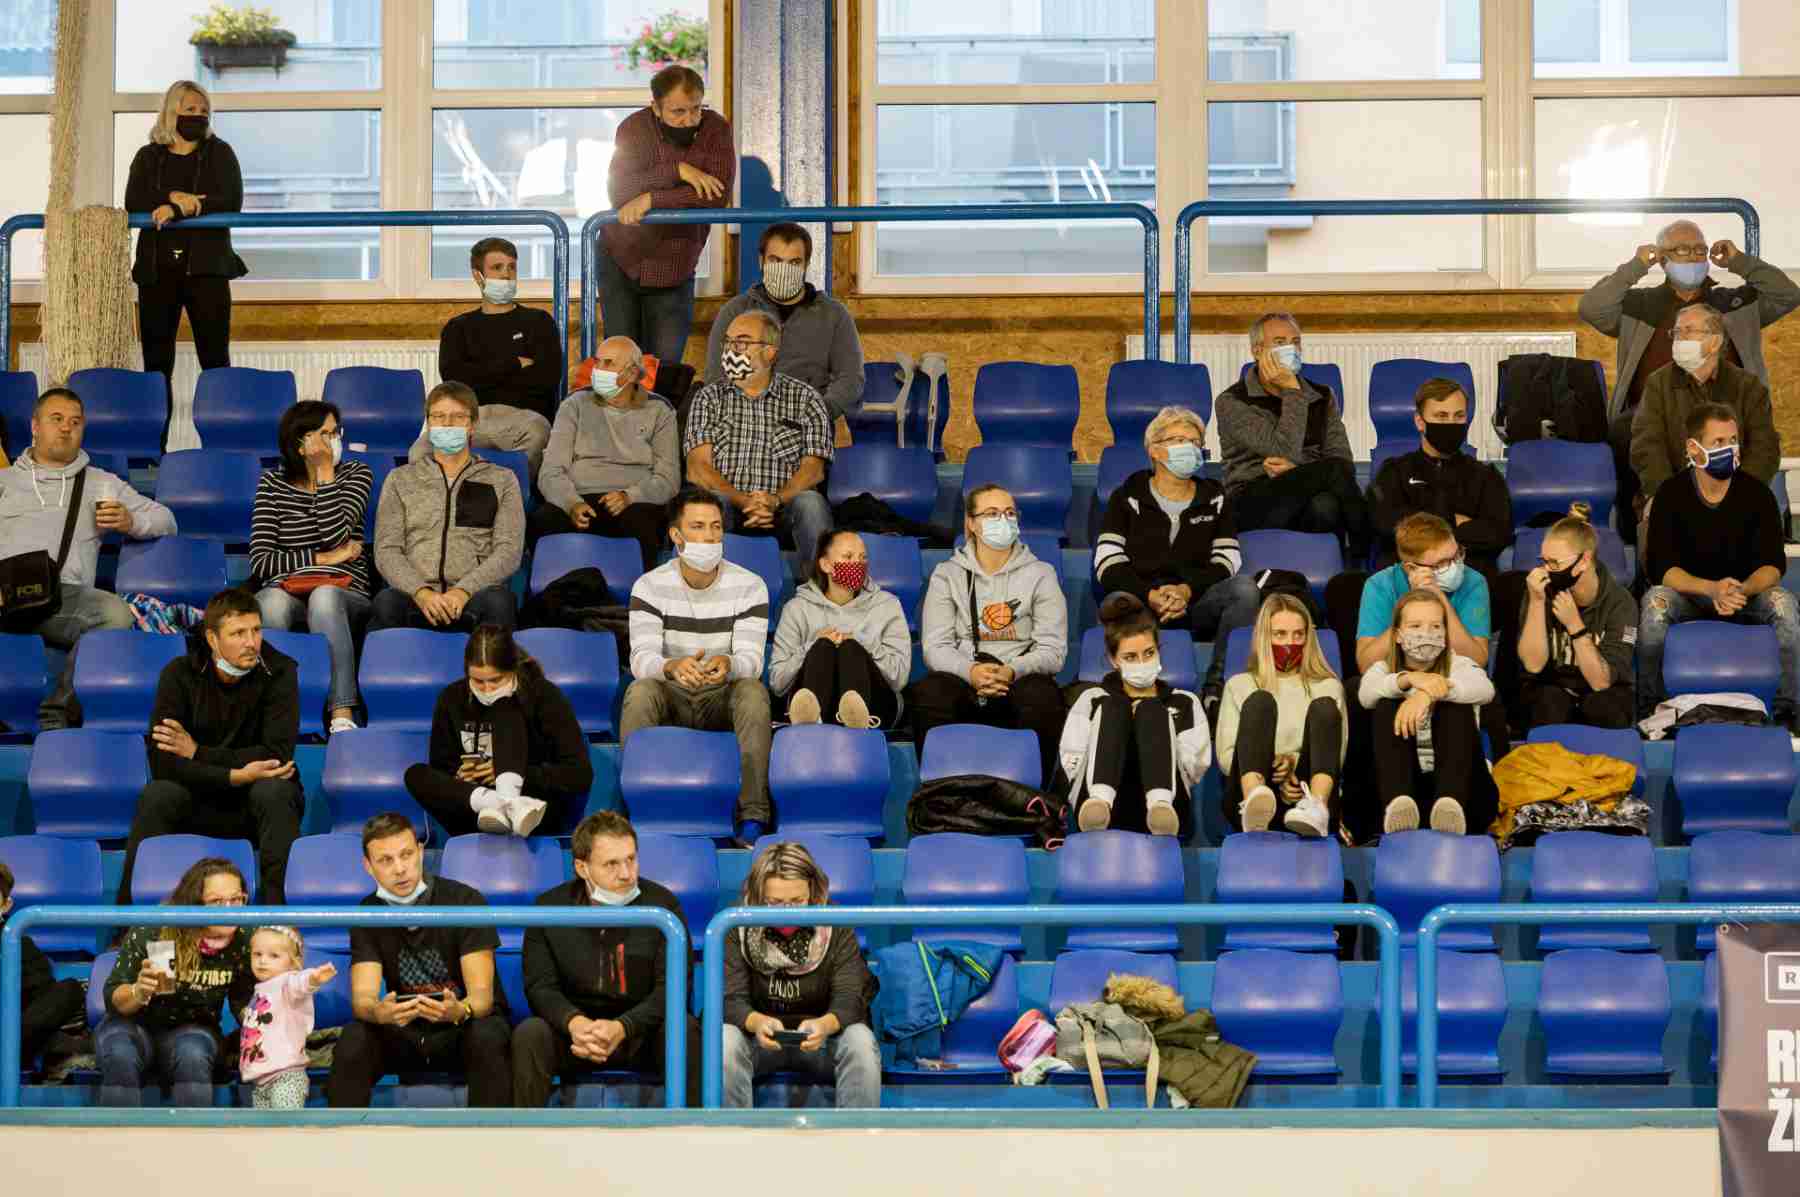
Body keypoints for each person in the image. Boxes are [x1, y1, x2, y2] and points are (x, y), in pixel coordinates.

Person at [1580, 220, 1799, 535]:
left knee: (1752, 441)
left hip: (1727, 409)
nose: (1694, 256)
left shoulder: (1733, 304)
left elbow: (1788, 295)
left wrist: (1740, 261)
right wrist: (1636, 266)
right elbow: (1591, 308)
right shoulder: (1640, 305)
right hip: (1655, 409)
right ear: (1663, 258)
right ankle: (1646, 529)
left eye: (1700, 249)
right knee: (1629, 438)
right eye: (1682, 250)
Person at [0, 386, 175, 730]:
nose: (66, 427)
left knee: (115, 615)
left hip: (60, 598)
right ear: (35, 426)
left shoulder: (101, 483)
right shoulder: (4, 481)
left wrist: (130, 521)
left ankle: (57, 713)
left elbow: (167, 519)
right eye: (57, 419)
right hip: (5, 594)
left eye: (75, 422)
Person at [117, 588, 302, 906]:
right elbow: (163, 763)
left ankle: (278, 920)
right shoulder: (179, 674)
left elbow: (275, 755)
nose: (251, 642)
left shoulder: (280, 670)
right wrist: (236, 775)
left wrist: (197, 753)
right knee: (158, 795)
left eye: (256, 630)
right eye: (238, 633)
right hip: (199, 798)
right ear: (212, 639)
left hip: (253, 805)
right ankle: (131, 922)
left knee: (275, 791)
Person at [514, 811, 703, 1109]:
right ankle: (524, 1133)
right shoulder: (549, 908)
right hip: (576, 1035)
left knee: (685, 1030)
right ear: (582, 867)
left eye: (631, 859)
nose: (626, 874)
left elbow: (674, 988)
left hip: (640, 1033)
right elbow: (540, 987)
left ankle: (691, 1130)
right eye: (612, 864)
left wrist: (623, 1027)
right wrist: (575, 1023)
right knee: (530, 1034)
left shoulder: (663, 905)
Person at [326, 813, 513, 1108]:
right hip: (407, 1028)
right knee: (355, 1037)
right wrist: (379, 1013)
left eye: (406, 855)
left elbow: (481, 998)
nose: (400, 869)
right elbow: (363, 999)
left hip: (461, 1025)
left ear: (421, 852)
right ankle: (340, 1134)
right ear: (368, 866)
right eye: (385, 860)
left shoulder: (464, 900)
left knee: (487, 1035)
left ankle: (488, 1134)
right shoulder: (368, 912)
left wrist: (459, 1010)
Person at [620, 488, 772, 844]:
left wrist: (728, 663)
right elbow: (641, 658)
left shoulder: (750, 586)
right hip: (671, 693)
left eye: (716, 527)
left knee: (753, 692)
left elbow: (752, 661)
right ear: (676, 535)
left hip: (721, 694)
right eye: (698, 526)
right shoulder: (649, 586)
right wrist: (671, 666)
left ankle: (752, 815)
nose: (710, 536)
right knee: (639, 692)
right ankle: (635, 810)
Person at [1638, 403, 1800, 727]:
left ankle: (1788, 710)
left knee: (1784, 605)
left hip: (1744, 595)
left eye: (1733, 440)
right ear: (1693, 448)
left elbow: (1773, 565)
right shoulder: (1670, 494)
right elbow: (1662, 569)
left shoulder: (1758, 494)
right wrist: (1710, 589)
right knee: (1654, 605)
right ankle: (1650, 709)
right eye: (1719, 442)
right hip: (1690, 596)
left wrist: (1742, 589)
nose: (1729, 449)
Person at [1092, 405, 1261, 701]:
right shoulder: (1126, 496)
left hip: (1196, 603)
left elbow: (1227, 560)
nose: (1190, 448)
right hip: (1142, 603)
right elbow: (1108, 562)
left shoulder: (1215, 496)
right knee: (1115, 602)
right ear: (1154, 451)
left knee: (1244, 590)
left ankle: (1217, 688)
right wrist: (1150, 595)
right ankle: (1124, 691)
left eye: (1195, 442)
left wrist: (1186, 590)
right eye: (1179, 440)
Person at [911, 484, 1069, 789]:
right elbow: (936, 647)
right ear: (971, 523)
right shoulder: (947, 574)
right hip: (965, 677)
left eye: (1010, 513)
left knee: (1042, 696)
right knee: (930, 693)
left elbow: (1053, 650)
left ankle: (1031, 797)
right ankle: (942, 794)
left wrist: (1012, 670)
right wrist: (970, 671)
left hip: (1018, 677)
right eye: (992, 513)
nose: (1003, 520)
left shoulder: (1041, 574)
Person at [123, 80, 245, 442]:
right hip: (157, 271)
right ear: (171, 112)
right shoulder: (148, 156)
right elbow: (134, 199)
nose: (198, 115)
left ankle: (223, 447)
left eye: (203, 110)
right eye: (189, 109)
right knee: (156, 365)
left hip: (208, 269)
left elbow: (230, 200)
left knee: (215, 361)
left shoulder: (220, 152)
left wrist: (183, 208)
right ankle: (152, 451)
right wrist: (173, 196)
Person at [721, 841, 879, 1110]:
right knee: (724, 1039)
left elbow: (851, 998)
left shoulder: (836, 923)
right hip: (759, 1041)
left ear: (813, 893)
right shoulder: (736, 922)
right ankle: (734, 1132)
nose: (787, 913)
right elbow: (729, 1000)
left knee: (860, 1040)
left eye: (797, 901)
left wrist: (824, 1025)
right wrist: (757, 1022)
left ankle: (857, 1134)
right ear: (758, 896)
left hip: (822, 1040)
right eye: (774, 903)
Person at [600, 64, 737, 367]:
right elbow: (620, 192)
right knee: (619, 363)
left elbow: (716, 196)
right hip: (621, 258)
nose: (689, 119)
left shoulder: (716, 129)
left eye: (696, 109)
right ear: (656, 107)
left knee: (664, 367)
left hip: (675, 263)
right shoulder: (633, 128)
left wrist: (652, 198)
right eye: (678, 112)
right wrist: (677, 171)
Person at [249, 400, 372, 735]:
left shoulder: (357, 474)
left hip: (346, 591)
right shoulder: (272, 484)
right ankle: (280, 710)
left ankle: (342, 711)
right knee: (270, 602)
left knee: (324, 596)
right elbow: (261, 561)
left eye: (335, 433)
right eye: (324, 434)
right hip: (287, 589)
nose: (333, 441)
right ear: (299, 443)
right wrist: (323, 559)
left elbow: (336, 535)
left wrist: (326, 474)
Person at [403, 624, 592, 838]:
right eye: (478, 681)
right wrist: (462, 776)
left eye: (495, 680)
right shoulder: (451, 699)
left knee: (504, 707)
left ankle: (511, 801)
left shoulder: (544, 696)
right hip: (474, 811)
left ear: (513, 669)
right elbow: (441, 771)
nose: (487, 689)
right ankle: (501, 804)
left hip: (533, 813)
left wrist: (510, 773)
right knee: (415, 774)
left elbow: (579, 775)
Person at [96, 857, 255, 1107]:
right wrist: (138, 992)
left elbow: (242, 1001)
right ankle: (120, 1132)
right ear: (194, 902)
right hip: (134, 1024)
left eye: (237, 899)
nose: (229, 909)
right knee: (120, 1051)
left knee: (193, 1053)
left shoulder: (245, 936)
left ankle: (192, 1133)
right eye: (216, 901)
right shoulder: (157, 927)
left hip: (194, 1029)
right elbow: (113, 998)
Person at [370, 381, 525, 633]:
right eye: (438, 416)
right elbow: (387, 550)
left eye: (458, 417)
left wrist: (463, 591)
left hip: (474, 597)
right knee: (386, 603)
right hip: (416, 598)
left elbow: (509, 551)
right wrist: (422, 593)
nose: (447, 424)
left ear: (472, 424)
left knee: (499, 601)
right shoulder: (400, 479)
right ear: (429, 424)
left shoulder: (502, 479)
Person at [1215, 312, 1369, 559]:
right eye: (1279, 342)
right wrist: (1293, 392)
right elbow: (1283, 451)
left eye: (1295, 342)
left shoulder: (1322, 395)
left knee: (1325, 505)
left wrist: (1299, 472)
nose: (1291, 349)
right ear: (1257, 351)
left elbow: (1342, 460)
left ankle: (1334, 572)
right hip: (1252, 498)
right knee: (1332, 473)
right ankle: (1364, 551)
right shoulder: (1232, 401)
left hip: (1311, 495)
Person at [1059, 592, 1212, 838]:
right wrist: (1121, 734)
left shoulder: (1185, 701)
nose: (1142, 662)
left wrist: (1149, 731)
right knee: (1115, 707)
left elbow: (1193, 769)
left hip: (1167, 806)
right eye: (1130, 657)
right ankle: (1100, 802)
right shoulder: (1093, 699)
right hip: (1097, 803)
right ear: (1113, 660)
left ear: (1158, 651)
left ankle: (1159, 804)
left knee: (1151, 710)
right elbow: (1072, 762)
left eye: (1149, 653)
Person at [684, 310, 835, 555]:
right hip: (727, 507)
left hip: (784, 507)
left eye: (742, 342)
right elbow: (698, 468)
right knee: (710, 504)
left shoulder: (806, 398)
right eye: (728, 341)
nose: (730, 349)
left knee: (811, 503)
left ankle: (821, 580)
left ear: (770, 352)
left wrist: (775, 500)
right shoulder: (708, 397)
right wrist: (745, 501)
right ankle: (706, 578)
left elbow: (813, 470)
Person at [1359, 589, 1498, 836]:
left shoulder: (1460, 665)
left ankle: (1450, 803)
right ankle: (1398, 802)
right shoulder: (1382, 669)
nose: (1426, 633)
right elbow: (1365, 694)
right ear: (1398, 635)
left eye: (1436, 626)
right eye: (1415, 626)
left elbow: (1486, 690)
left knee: (1455, 705)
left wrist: (1429, 693)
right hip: (1405, 794)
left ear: (1445, 632)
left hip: (1464, 795)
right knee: (1385, 703)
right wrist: (1407, 679)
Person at [532, 335, 679, 569]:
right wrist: (571, 503)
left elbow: (668, 479)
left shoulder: (660, 410)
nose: (598, 369)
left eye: (608, 363)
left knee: (644, 525)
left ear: (632, 373)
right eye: (597, 361)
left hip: (634, 502)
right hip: (579, 496)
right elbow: (551, 470)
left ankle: (636, 590)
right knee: (543, 520)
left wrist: (630, 496)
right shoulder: (574, 404)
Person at [1215, 594, 1346, 838]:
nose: (1290, 642)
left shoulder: (1329, 686)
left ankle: (1316, 807)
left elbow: (1335, 756)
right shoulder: (1239, 684)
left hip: (1305, 789)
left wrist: (1292, 764)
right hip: (1254, 784)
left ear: (1308, 637)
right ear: (1265, 637)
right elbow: (1226, 758)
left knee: (1324, 707)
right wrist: (1272, 763)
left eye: (1298, 634)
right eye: (1280, 634)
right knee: (1260, 701)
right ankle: (1254, 803)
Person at [703, 223, 865, 419]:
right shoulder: (735, 311)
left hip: (809, 421)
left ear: (806, 265)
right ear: (761, 261)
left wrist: (819, 413)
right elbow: (715, 376)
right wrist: (744, 415)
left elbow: (851, 378)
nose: (784, 270)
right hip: (745, 421)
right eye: (775, 260)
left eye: (794, 263)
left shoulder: (834, 314)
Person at [1629, 302, 1780, 511]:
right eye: (1676, 332)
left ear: (1715, 342)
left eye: (1688, 331)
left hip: (1737, 495)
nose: (1679, 338)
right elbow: (1646, 445)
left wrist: (1738, 495)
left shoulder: (1748, 386)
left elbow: (1765, 448)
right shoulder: (1658, 383)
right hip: (1674, 494)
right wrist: (1666, 494)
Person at [1367, 378, 1512, 576]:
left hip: (1470, 579)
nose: (1451, 423)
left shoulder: (1486, 476)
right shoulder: (1394, 471)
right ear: (1420, 422)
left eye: (1458, 416)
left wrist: (1419, 524)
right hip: (1408, 581)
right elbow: (1385, 524)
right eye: (1441, 416)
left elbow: (1498, 534)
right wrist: (1454, 521)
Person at [769, 529, 910, 729]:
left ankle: (857, 719)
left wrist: (863, 642)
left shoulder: (887, 605)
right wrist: (811, 646)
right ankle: (812, 718)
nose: (857, 564)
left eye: (863, 558)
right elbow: (777, 682)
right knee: (822, 647)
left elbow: (899, 678)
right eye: (848, 557)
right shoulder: (796, 608)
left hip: (875, 704)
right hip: (814, 693)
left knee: (851, 649)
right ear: (825, 564)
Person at [1515, 503, 1638, 731]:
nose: (1546, 570)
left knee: (1602, 705)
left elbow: (1601, 682)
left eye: (1554, 563)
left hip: (1602, 690)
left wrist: (1575, 627)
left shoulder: (1620, 603)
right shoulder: (1539, 589)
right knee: (1549, 701)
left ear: (1583, 561)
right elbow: (1533, 664)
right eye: (1544, 561)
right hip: (1552, 687)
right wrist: (1537, 602)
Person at [435, 237, 564, 436]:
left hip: (526, 421)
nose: (506, 275)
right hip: (473, 422)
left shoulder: (539, 321)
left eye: (512, 267)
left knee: (535, 438)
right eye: (497, 268)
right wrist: (515, 364)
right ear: (478, 276)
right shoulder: (458, 328)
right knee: (422, 448)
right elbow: (456, 383)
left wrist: (481, 374)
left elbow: (546, 381)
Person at [1351, 513, 1491, 675]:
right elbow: (1366, 665)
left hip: (1454, 677)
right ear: (1411, 568)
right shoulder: (1379, 585)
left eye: (1457, 554)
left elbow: (1477, 661)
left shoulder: (1474, 581)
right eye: (1441, 564)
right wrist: (1413, 603)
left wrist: (1439, 597)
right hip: (1398, 678)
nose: (1455, 566)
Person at [0, 857, 85, 1070]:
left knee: (70, 989)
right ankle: (56, 1047)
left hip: (16, 1031)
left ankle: (51, 1046)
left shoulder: (19, 944)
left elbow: (44, 995)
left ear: (6, 905)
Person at [238, 926, 335, 1110]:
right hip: (260, 1079)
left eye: (274, 956)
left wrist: (313, 978)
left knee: (285, 1124)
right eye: (257, 954)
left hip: (286, 1076)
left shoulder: (287, 983)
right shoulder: (260, 989)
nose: (262, 961)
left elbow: (300, 984)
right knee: (264, 1127)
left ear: (293, 962)